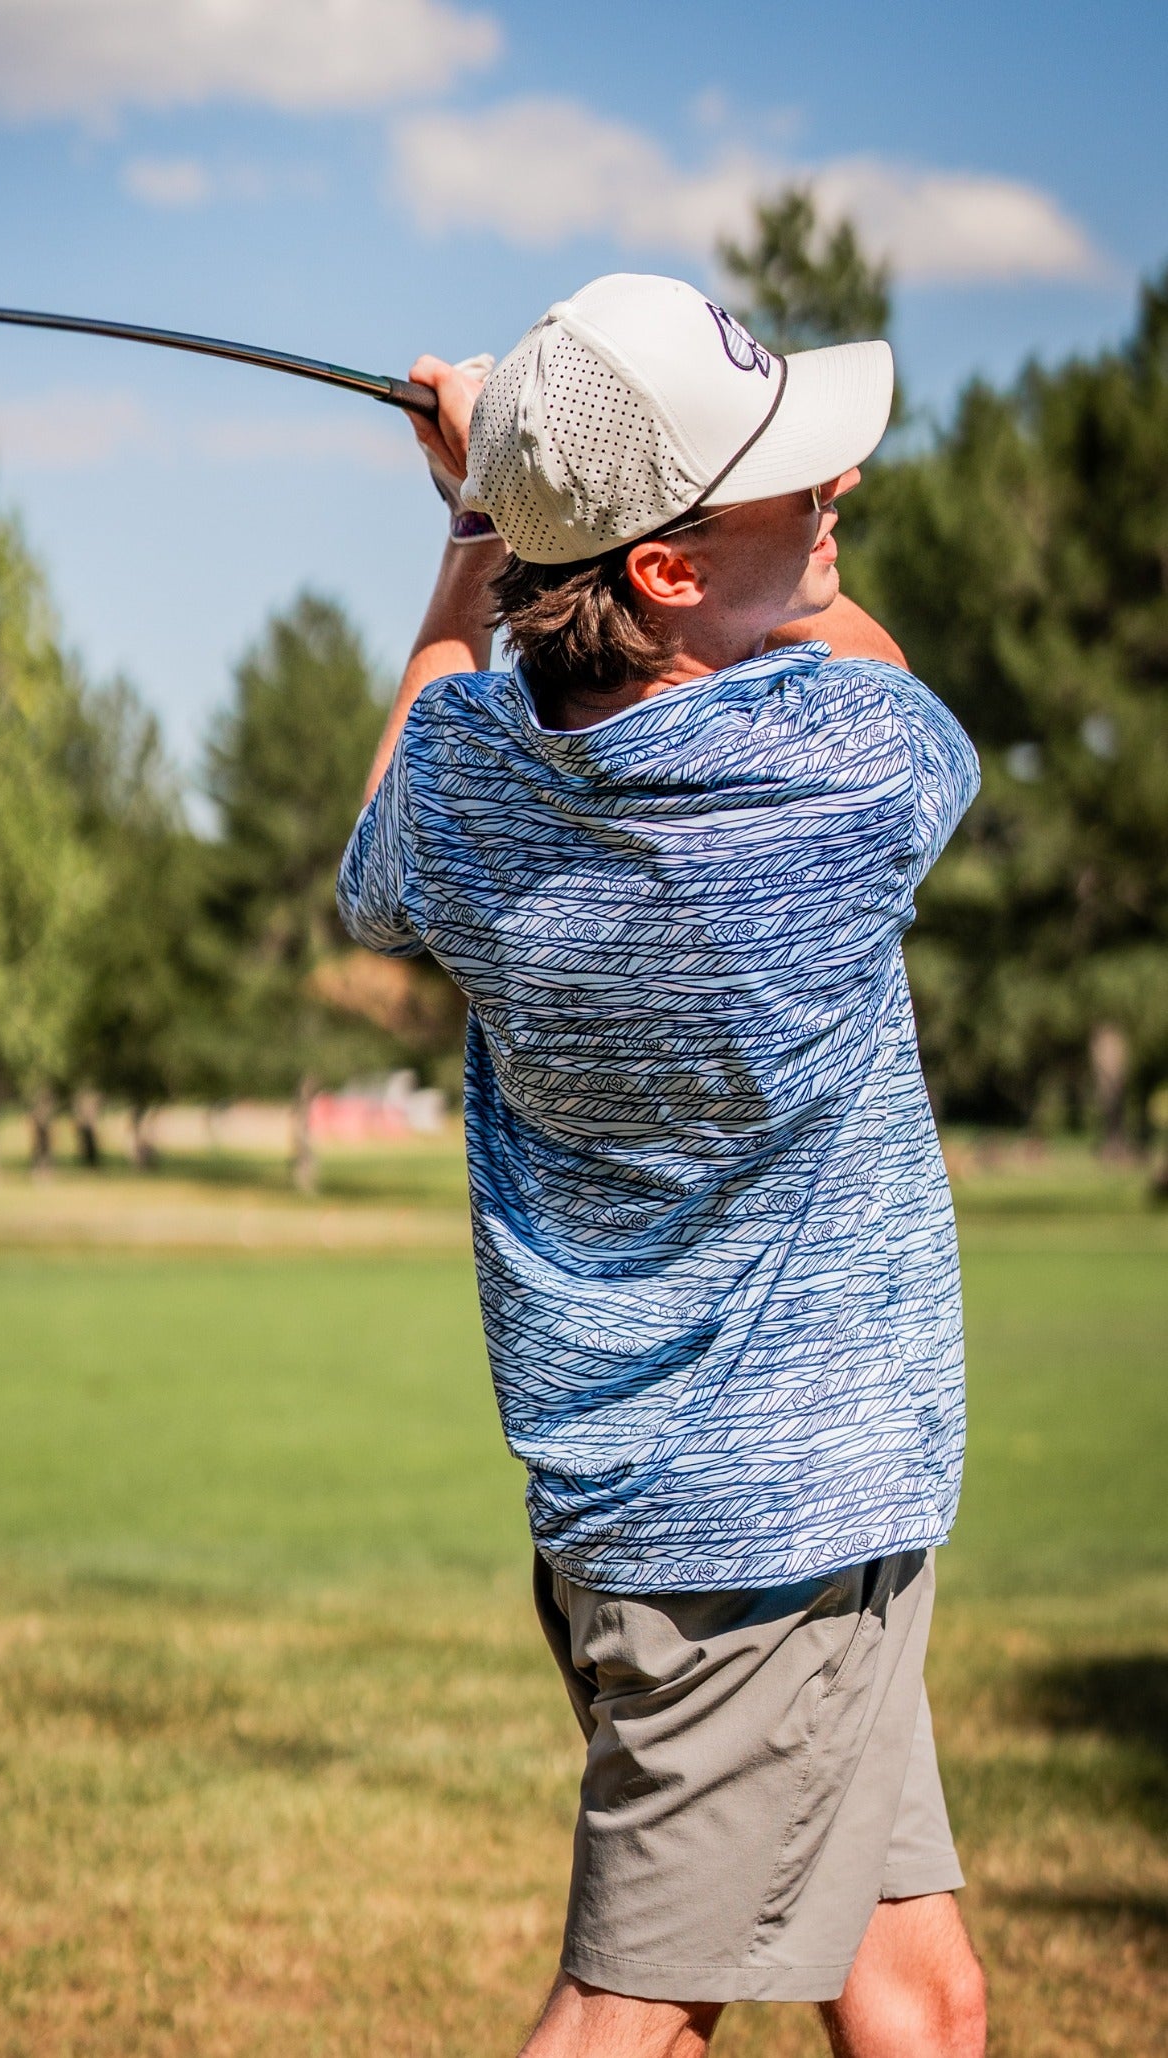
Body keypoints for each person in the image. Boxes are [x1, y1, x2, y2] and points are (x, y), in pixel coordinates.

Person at [337, 275, 987, 2058]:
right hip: (767, 1535)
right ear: (672, 574)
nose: (833, 495)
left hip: (673, 1513)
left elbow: (384, 838)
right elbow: (889, 676)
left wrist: (483, 532)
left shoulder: (474, 796)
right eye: (789, 480)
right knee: (635, 2017)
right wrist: (500, 497)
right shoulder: (843, 772)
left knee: (922, 1995)